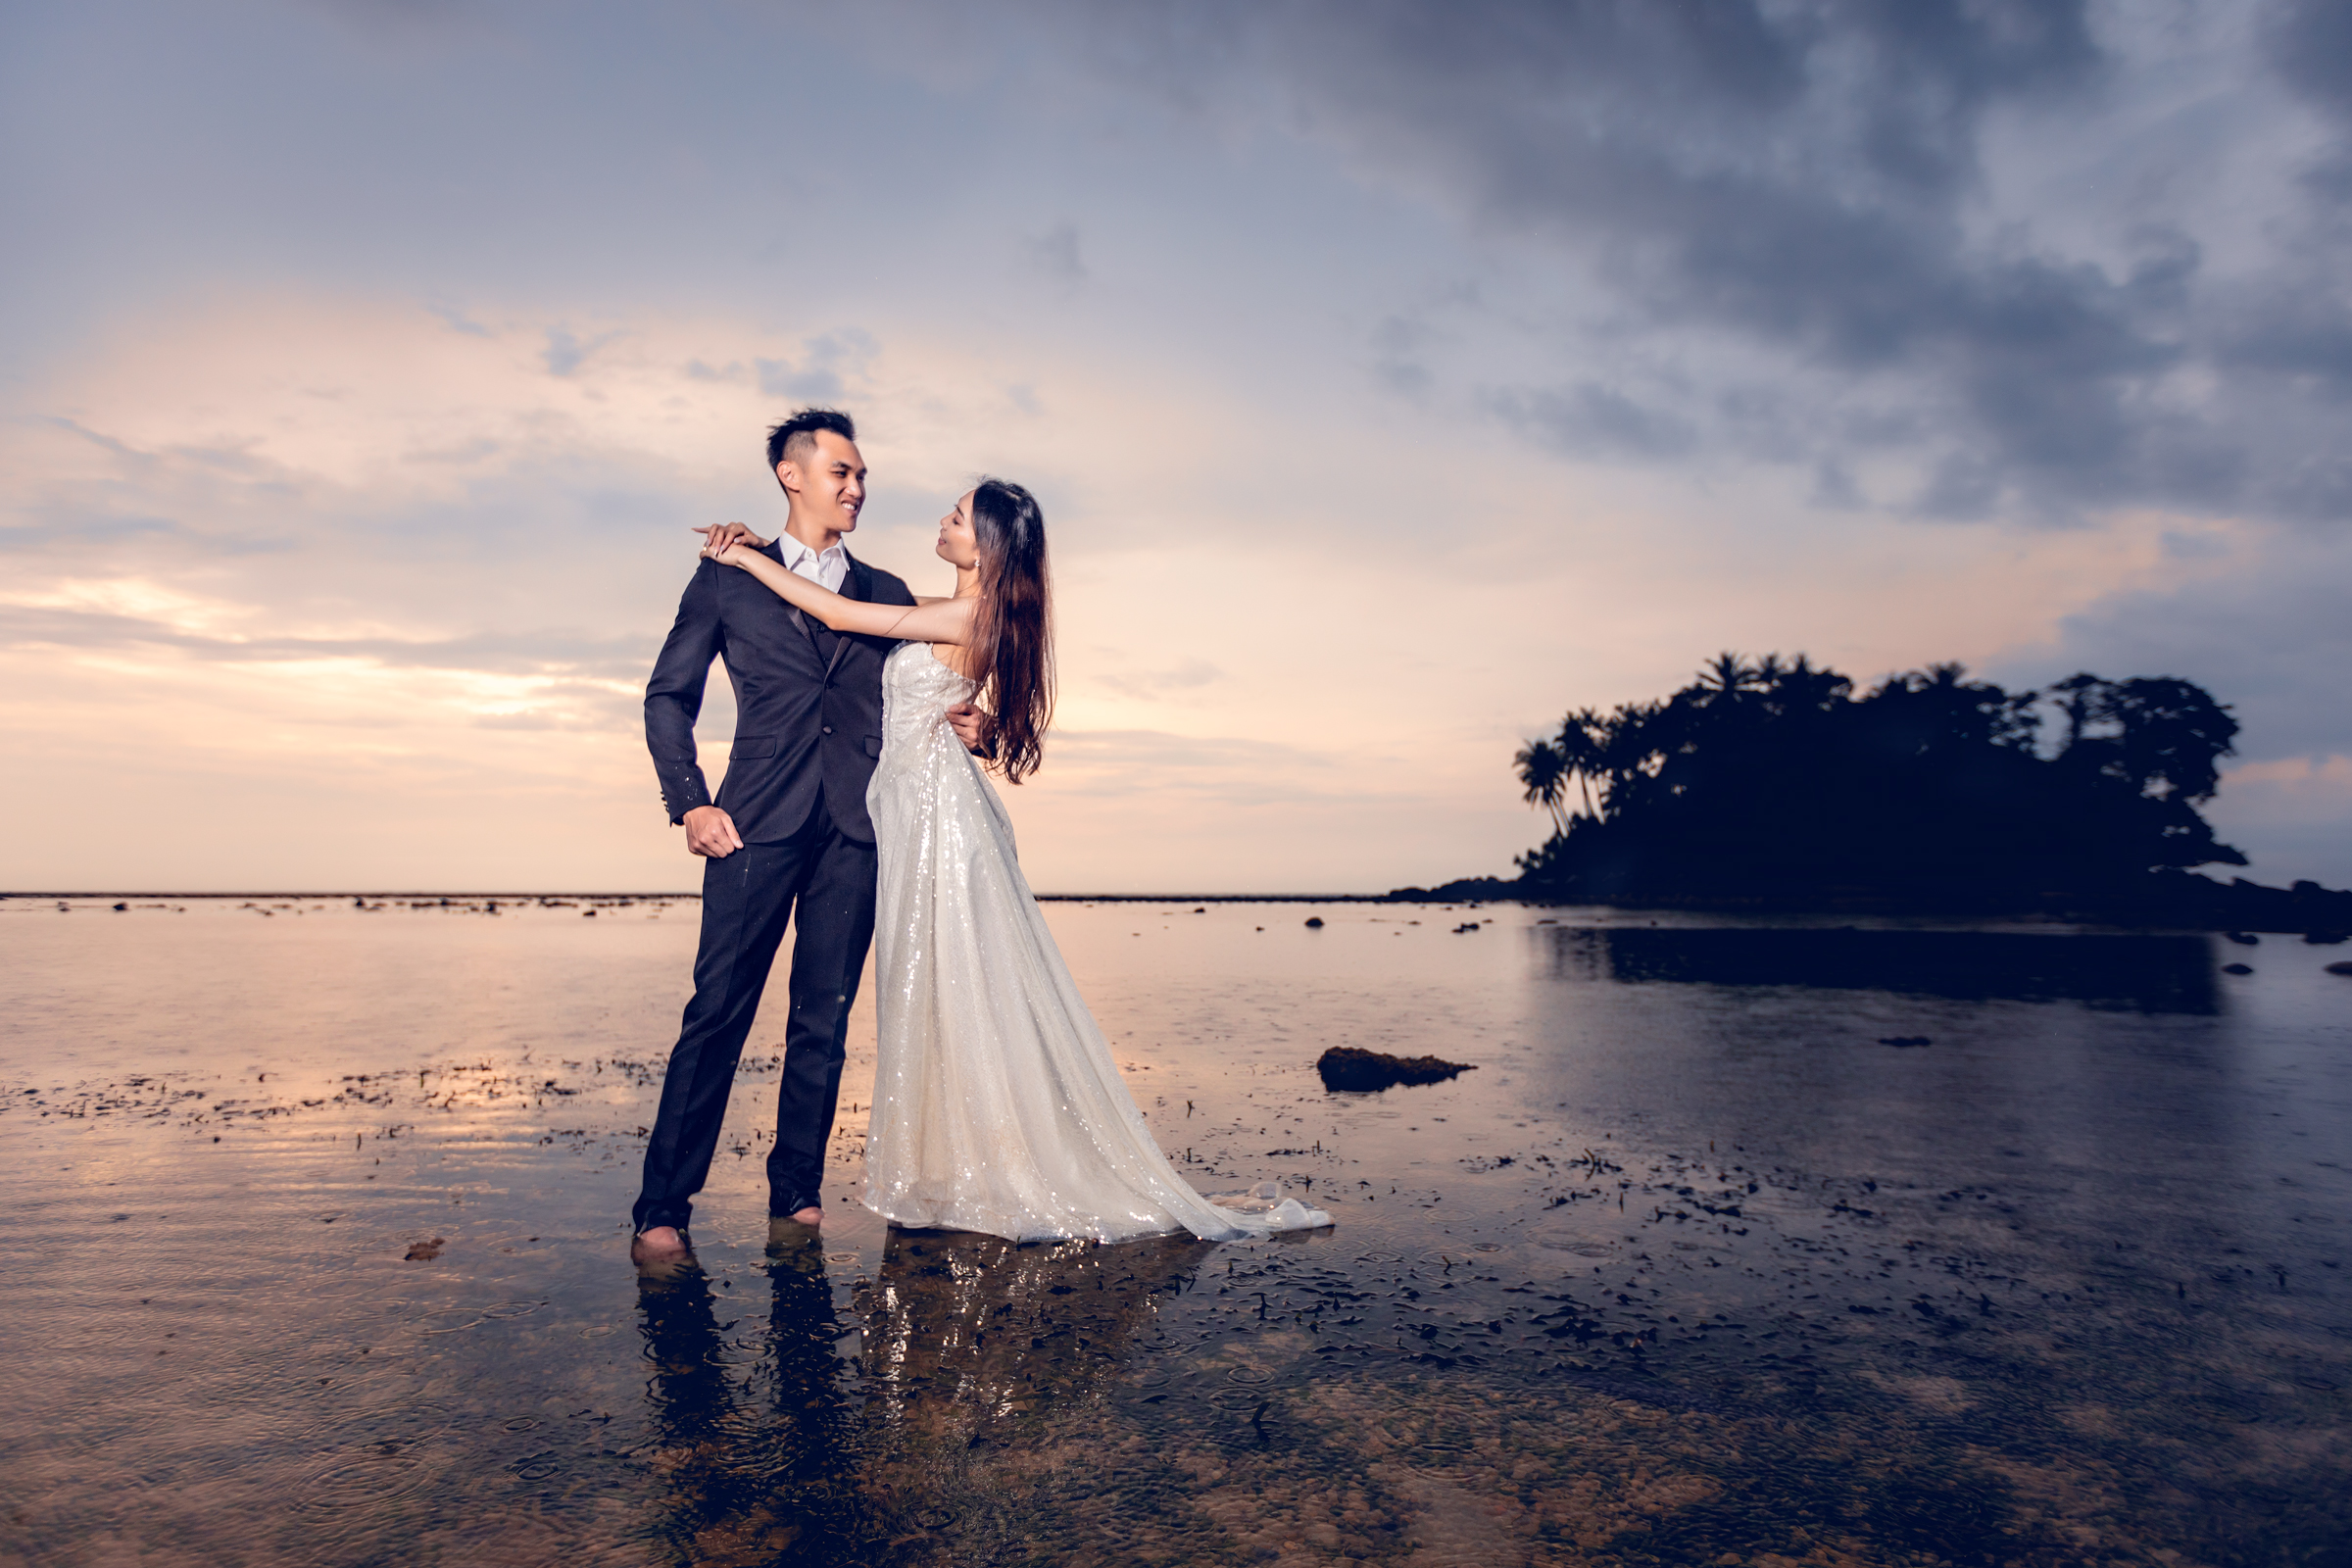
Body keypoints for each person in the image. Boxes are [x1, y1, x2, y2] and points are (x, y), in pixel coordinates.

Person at [697, 480, 1329, 1243]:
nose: (942, 519)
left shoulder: (971, 614)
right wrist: (770, 547)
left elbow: (837, 612)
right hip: (910, 807)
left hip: (936, 815)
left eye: (958, 516)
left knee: (953, 981)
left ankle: (975, 1171)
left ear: (987, 545)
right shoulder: (954, 607)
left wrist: (746, 558)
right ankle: (951, 1166)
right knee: (929, 984)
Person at [631, 409, 986, 1267]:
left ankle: (796, 1194)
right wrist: (689, 804)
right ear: (792, 476)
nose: (858, 489)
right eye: (842, 473)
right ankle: (661, 1209)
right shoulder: (725, 576)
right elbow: (668, 696)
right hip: (749, 823)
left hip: (859, 830)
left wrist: (967, 724)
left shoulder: (890, 591)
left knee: (822, 1024)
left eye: (863, 477)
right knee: (716, 1013)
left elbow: (927, 691)